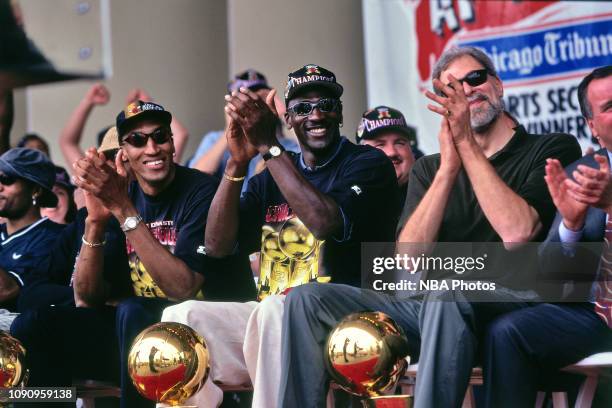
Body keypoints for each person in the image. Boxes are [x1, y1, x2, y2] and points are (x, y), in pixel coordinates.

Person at [277, 46, 582, 408]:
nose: (467, 91)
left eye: (475, 78)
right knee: (305, 300)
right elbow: (409, 258)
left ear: (498, 85)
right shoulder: (431, 167)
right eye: (452, 88)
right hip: (432, 309)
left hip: (514, 303)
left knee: (446, 290)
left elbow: (517, 232)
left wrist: (466, 143)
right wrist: (450, 168)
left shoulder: (551, 147)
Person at [161, 64, 399, 408]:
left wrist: (269, 147)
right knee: (183, 318)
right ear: (288, 118)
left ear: (340, 113)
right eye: (302, 108)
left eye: (326, 105)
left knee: (278, 309)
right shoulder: (267, 178)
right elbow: (216, 245)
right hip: (269, 322)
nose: (316, 114)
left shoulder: (367, 163)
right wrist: (237, 165)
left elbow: (323, 221)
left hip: (349, 322)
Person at [10, 100, 255, 408]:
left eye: (160, 137)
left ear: (172, 144)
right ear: (124, 153)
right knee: (33, 325)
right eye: (138, 140)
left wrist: (122, 209)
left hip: (205, 333)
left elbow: (183, 287)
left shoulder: (201, 190)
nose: (152, 148)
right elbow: (86, 299)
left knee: (132, 310)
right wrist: (96, 221)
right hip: (137, 337)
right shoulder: (121, 197)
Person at [482, 65, 612, 407]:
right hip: (599, 315)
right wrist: (571, 226)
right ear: (592, 126)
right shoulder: (580, 174)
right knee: (508, 331)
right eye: (610, 107)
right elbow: (552, 279)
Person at [187, 69, 299, 192]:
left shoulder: (280, 143)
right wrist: (229, 129)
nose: (250, 104)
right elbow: (195, 179)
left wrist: (283, 114)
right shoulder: (214, 139)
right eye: (243, 99)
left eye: (257, 98)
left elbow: (305, 174)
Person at [0, 148, 63, 329]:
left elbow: (6, 291)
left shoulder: (53, 237)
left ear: (35, 190)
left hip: (16, 337)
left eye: (7, 179)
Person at [60, 84, 190, 171]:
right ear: (100, 158)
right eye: (111, 155)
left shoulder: (155, 166)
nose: (120, 159)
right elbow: (68, 143)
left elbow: (178, 135)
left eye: (138, 142)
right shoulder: (94, 180)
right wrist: (87, 102)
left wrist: (143, 107)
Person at [356, 105, 415, 209]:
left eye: (399, 143)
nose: (392, 152)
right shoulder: (349, 200)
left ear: (411, 150)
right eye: (380, 145)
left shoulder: (434, 192)